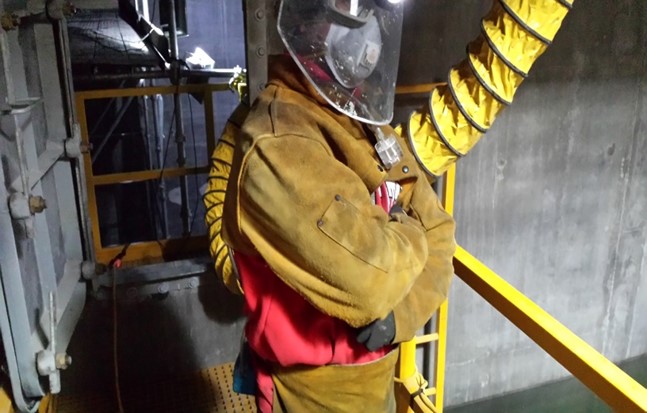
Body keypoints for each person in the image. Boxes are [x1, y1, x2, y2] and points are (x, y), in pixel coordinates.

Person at [205, 0, 575, 411]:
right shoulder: (279, 141)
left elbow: (441, 231)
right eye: (352, 14)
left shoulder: (359, 119)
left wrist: (402, 314)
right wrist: (407, 226)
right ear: (311, 25)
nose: (369, 35)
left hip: (375, 372)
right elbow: (373, 282)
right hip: (311, 386)